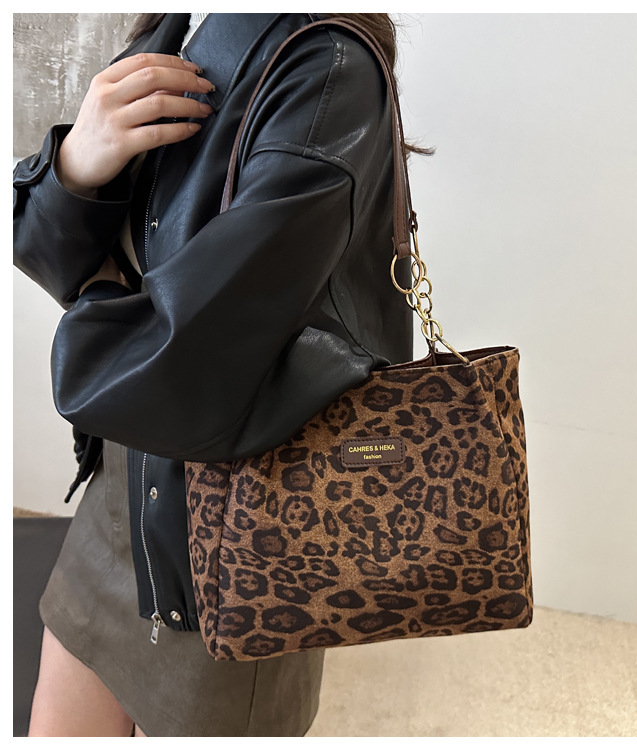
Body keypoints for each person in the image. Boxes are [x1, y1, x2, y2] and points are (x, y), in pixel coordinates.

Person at [13, 12, 426, 737]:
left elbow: (191, 358)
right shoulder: (178, 25)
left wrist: (101, 297)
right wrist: (76, 165)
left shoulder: (327, 69)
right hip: (118, 503)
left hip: (244, 544)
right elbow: (58, 259)